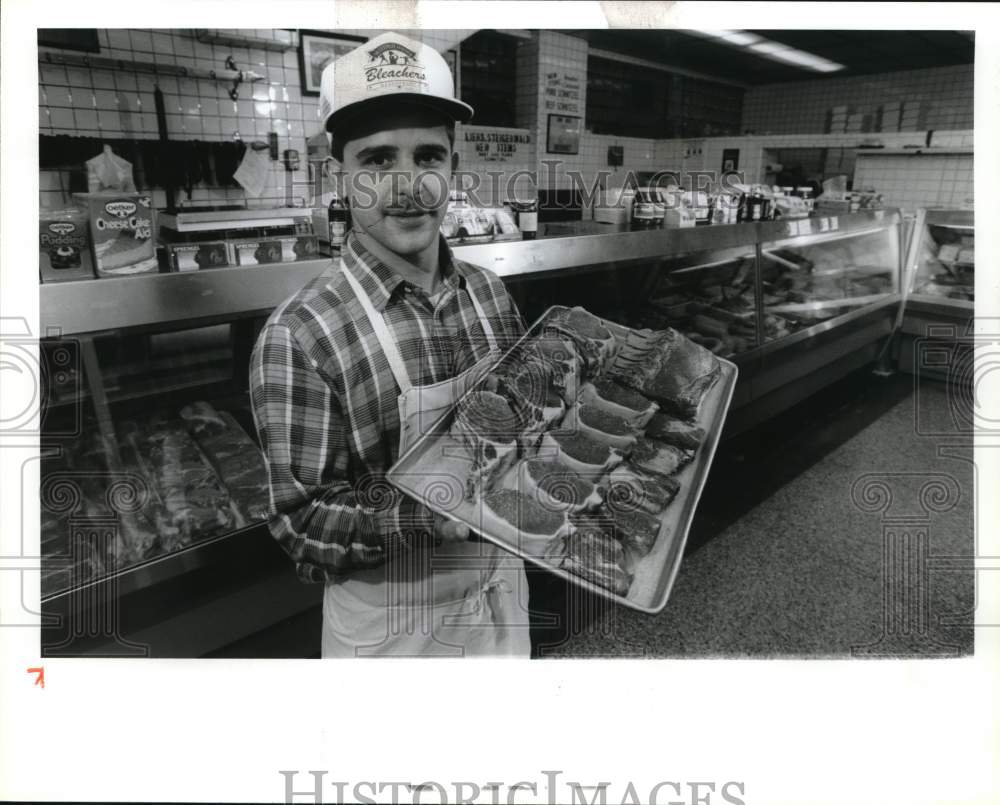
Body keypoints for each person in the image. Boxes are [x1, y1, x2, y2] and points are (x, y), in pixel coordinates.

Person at [250, 32, 531, 658]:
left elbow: (522, 428)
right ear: (340, 178)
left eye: (428, 156)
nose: (408, 185)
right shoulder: (302, 334)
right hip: (391, 635)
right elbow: (302, 522)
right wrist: (428, 515)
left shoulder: (489, 294)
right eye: (378, 161)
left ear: (452, 168)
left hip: (503, 597)